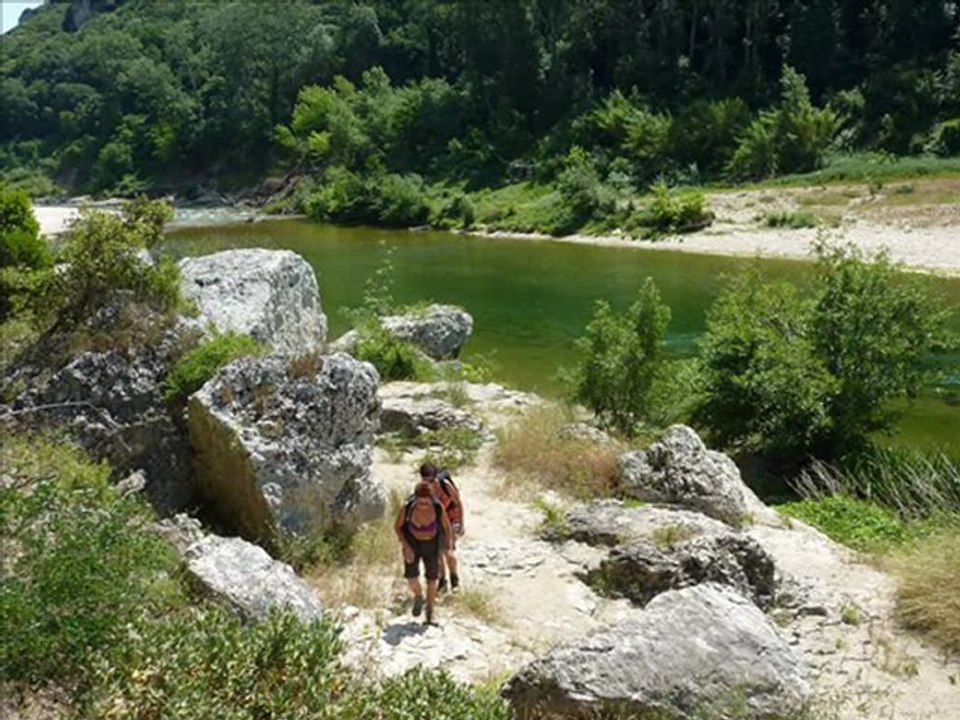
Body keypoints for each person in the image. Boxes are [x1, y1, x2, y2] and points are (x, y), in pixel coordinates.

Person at [395, 479, 452, 625]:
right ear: (416, 499)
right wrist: (406, 546)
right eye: (421, 503)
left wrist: (448, 546)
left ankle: (430, 614)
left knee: (432, 579)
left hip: (432, 546)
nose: (424, 506)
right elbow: (398, 527)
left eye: (427, 503)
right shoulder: (407, 508)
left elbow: (446, 527)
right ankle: (419, 596)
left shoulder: (438, 508)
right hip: (412, 544)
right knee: (411, 577)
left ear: (431, 500)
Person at [419, 463, 465, 593]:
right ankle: (442, 581)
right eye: (425, 480)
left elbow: (458, 502)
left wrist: (461, 523)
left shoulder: (445, 485)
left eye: (431, 480)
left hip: (451, 519)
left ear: (435, 477)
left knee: (449, 551)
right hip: (435, 521)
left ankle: (454, 579)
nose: (429, 483)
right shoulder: (422, 489)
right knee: (437, 554)